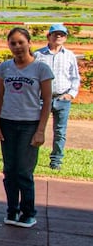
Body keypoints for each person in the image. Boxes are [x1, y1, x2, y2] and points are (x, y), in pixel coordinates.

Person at [0, 28, 53, 228]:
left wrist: (41, 130)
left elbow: (46, 102)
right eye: (13, 43)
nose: (17, 47)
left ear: (29, 42)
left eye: (21, 42)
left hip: (29, 124)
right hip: (8, 123)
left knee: (24, 171)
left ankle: (28, 212)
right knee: (9, 170)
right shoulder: (5, 68)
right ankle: (12, 210)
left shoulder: (41, 69)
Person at [34, 23, 80, 170]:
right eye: (55, 34)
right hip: (41, 99)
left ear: (65, 37)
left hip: (61, 98)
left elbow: (75, 77)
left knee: (60, 132)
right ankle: (31, 159)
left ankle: (56, 161)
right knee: (36, 129)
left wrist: (71, 94)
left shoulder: (70, 56)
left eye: (62, 34)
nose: (58, 36)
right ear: (49, 36)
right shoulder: (38, 55)